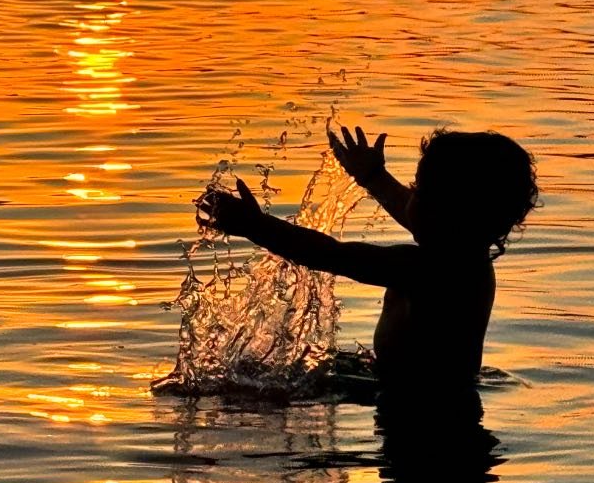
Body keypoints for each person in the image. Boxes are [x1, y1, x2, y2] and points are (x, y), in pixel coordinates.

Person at [202, 125, 538, 393]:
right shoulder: (463, 254)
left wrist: (255, 226)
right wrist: (373, 178)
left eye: (418, 190)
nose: (409, 198)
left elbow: (332, 256)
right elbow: (409, 210)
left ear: (449, 214)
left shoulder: (428, 271)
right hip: (435, 405)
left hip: (428, 422)